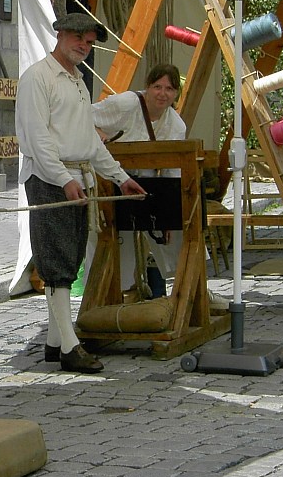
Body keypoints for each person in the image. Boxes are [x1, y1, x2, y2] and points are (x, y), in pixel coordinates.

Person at [17, 12, 146, 374]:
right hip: (48, 178)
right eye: (79, 38)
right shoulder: (37, 78)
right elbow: (39, 139)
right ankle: (70, 346)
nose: (84, 47)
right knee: (57, 261)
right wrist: (63, 178)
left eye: (89, 42)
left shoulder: (77, 82)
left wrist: (120, 178)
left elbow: (90, 140)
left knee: (68, 259)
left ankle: (55, 342)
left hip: (77, 177)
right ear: (60, 35)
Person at [91, 63, 229, 309]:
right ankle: (116, 296)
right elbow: (82, 118)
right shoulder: (126, 103)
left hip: (146, 187)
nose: (162, 93)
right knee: (115, 241)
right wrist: (99, 133)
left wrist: (167, 216)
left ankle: (195, 290)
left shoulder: (176, 125)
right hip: (110, 184)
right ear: (148, 87)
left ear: (176, 93)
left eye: (169, 88)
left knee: (178, 231)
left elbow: (172, 172)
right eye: (157, 87)